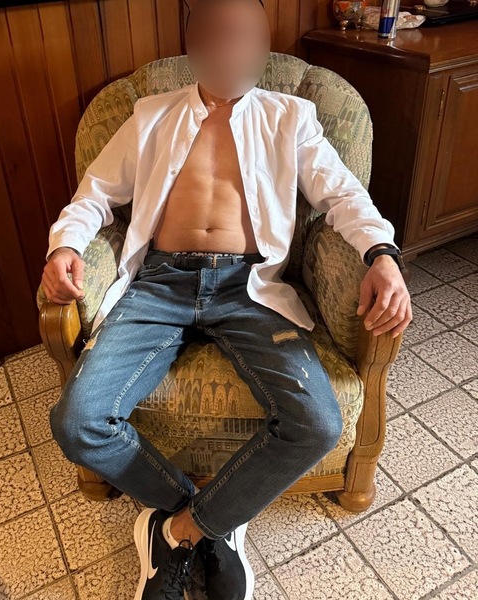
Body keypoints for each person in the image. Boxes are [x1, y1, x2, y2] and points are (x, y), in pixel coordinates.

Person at [41, 0, 412, 598]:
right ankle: (213, 520)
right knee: (77, 422)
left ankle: (181, 530)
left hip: (251, 288)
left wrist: (382, 254)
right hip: (160, 284)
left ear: (263, 46)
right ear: (193, 43)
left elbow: (344, 194)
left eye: (244, 36)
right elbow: (95, 195)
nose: (230, 48)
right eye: (217, 35)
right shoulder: (150, 115)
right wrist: (65, 244)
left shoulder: (291, 116)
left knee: (318, 423)